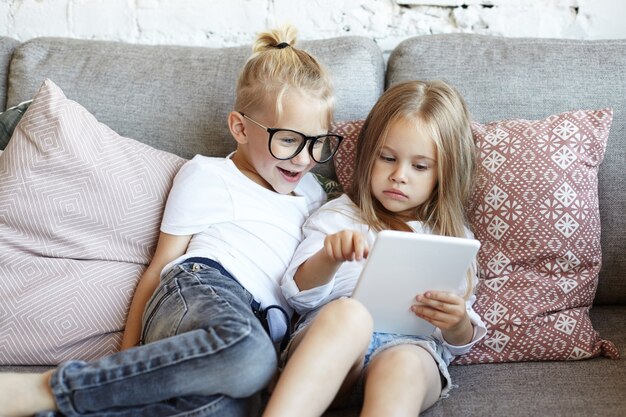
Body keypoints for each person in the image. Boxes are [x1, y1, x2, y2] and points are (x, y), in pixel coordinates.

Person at [0, 24, 344, 417]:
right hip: (201, 289)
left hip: (262, 326)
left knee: (228, 408)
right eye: (288, 140)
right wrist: (127, 353)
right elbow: (159, 267)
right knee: (249, 354)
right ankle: (50, 388)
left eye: (318, 142)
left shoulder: (315, 193)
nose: (304, 158)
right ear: (240, 128)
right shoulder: (209, 175)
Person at [262, 80, 487, 417]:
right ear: (369, 157)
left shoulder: (451, 237)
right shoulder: (338, 215)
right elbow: (298, 296)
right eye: (387, 158)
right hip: (335, 351)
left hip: (411, 347)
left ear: (445, 173)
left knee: (405, 364)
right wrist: (328, 257)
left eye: (420, 166)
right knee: (349, 314)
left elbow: (459, 339)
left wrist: (456, 324)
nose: (399, 175)